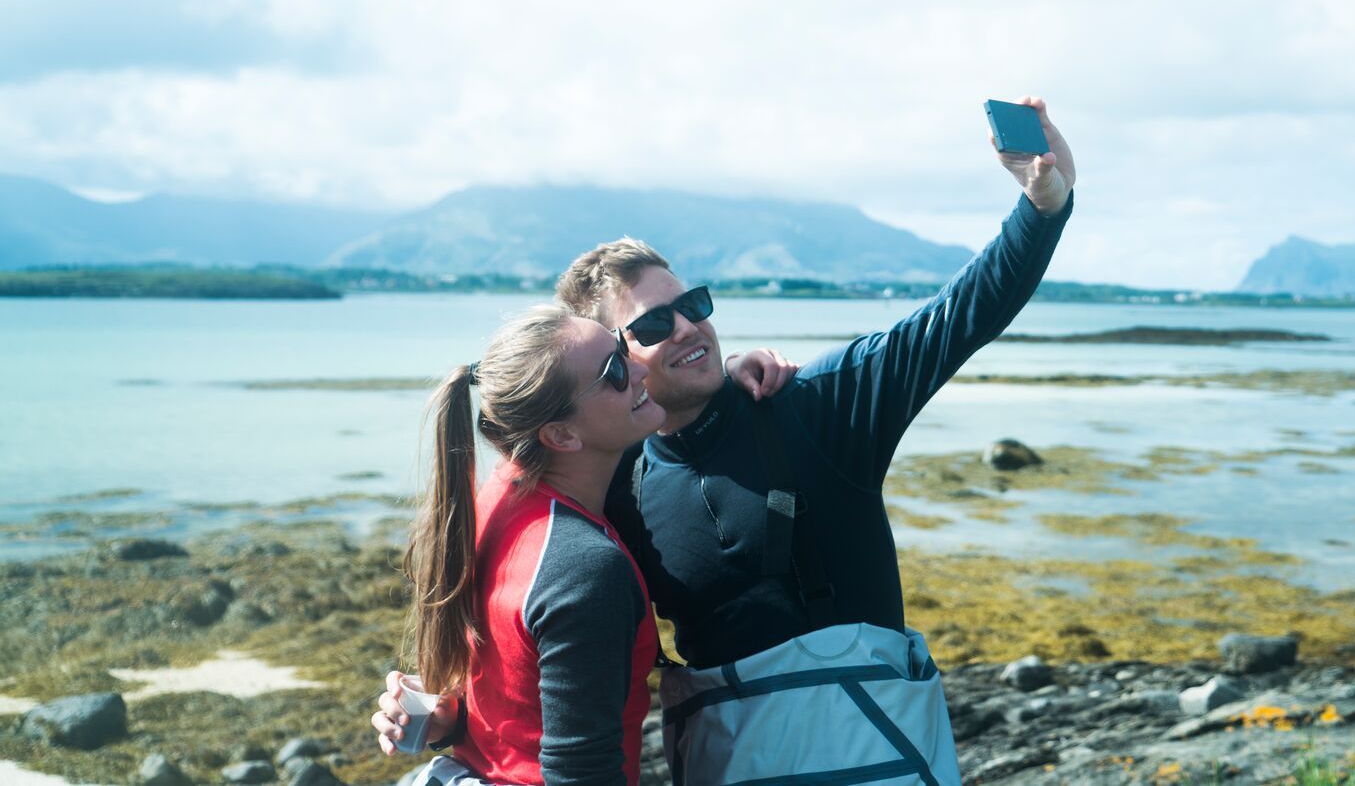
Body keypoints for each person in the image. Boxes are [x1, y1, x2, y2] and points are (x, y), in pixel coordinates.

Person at [380, 97, 1075, 778]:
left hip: (873, 753)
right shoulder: (610, 479)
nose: (686, 327)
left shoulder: (820, 406)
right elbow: (541, 648)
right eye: (651, 329)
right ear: (612, 361)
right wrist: (453, 715)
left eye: (693, 305)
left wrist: (1043, 209)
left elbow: (957, 317)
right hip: (725, 759)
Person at [385, 304, 797, 786]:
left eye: (622, 348)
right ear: (560, 434)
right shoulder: (583, 570)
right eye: (614, 371)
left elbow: (511, 683)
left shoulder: (492, 502)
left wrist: (448, 718)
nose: (640, 367)